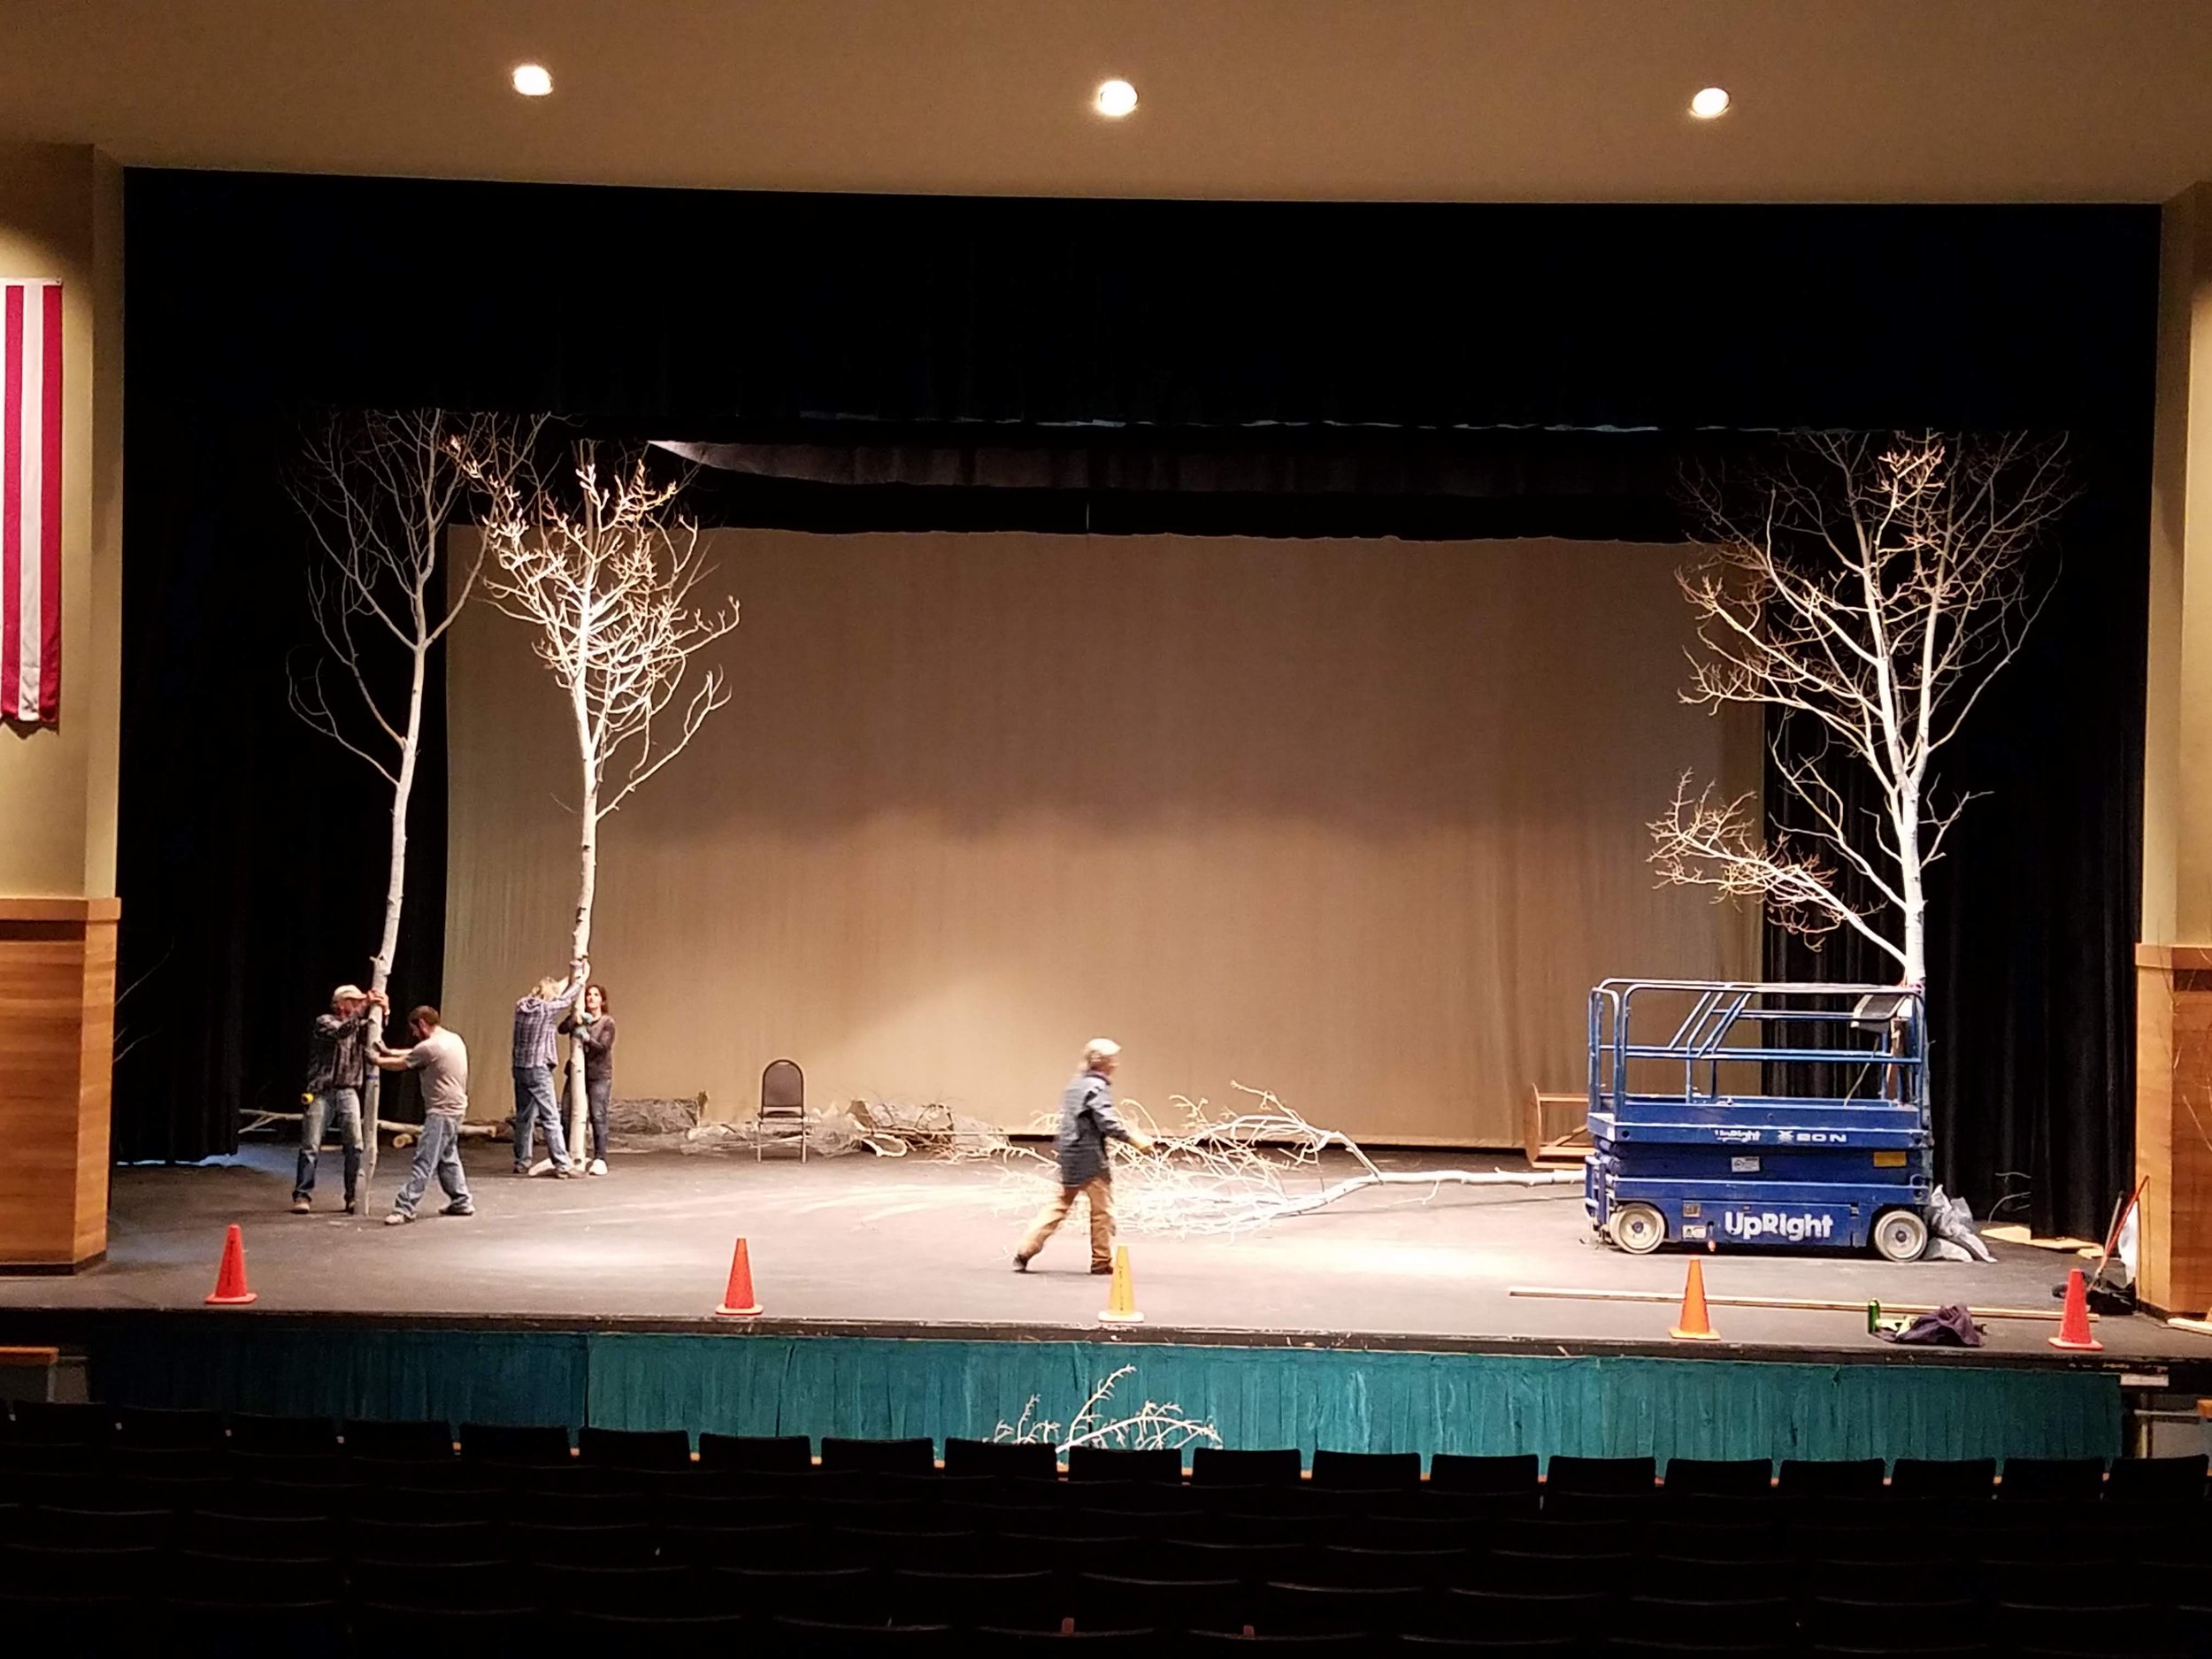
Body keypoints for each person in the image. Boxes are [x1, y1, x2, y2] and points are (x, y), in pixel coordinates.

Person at [1014, 1038, 1154, 1274]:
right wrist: (1133, 1139)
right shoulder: (1096, 1088)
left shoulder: (1074, 1085)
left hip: (1069, 1151)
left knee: (1060, 1203)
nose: (1116, 1065)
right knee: (1102, 1211)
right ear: (1103, 1063)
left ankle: (1026, 1248)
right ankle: (1101, 1260)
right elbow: (1106, 1121)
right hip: (1090, 1156)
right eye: (1112, 1060)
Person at [373, 1005, 474, 1225]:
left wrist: (376, 1061)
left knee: (425, 1160)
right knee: (448, 1157)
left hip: (442, 1112)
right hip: (456, 1109)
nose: (414, 1034)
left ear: (421, 1024)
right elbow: (414, 1052)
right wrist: (388, 1051)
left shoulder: (430, 1047)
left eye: (415, 1030)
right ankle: (461, 1200)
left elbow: (403, 1063)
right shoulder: (452, 1039)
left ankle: (404, 1207)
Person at [293, 983, 388, 1215]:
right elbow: (340, 1032)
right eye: (353, 1001)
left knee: (355, 1146)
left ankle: (352, 1196)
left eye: (358, 1001)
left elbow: (374, 1036)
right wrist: (364, 1006)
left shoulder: (359, 1026)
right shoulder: (324, 1022)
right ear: (340, 1003)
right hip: (321, 1092)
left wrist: (383, 1012)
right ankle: (302, 1195)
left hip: (348, 1091)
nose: (357, 1004)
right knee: (311, 1145)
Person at [511, 959, 587, 1176]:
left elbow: (557, 992)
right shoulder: (545, 1010)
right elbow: (566, 999)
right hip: (537, 1068)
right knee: (550, 1116)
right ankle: (563, 1164)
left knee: (524, 1116)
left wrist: (571, 973)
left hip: (520, 1067)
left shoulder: (521, 1006)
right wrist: (581, 980)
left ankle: (521, 1161)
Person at [558, 982, 618, 1177]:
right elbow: (562, 1028)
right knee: (566, 1112)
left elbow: (603, 1047)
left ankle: (600, 1158)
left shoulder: (607, 1022)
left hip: (598, 1075)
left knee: (597, 1115)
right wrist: (574, 1021)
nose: (591, 998)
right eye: (588, 995)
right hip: (577, 1073)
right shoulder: (581, 1018)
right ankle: (568, 1153)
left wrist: (586, 1039)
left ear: (602, 1000)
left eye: (595, 995)